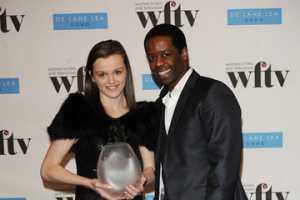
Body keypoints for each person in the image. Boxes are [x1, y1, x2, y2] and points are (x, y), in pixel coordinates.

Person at [41, 40, 157, 200]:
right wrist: (90, 183)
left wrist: (143, 181)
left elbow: (150, 169)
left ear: (127, 71)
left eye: (117, 72)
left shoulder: (143, 114)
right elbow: (48, 169)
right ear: (92, 76)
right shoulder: (79, 111)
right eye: (102, 74)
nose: (111, 81)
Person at [144, 24, 248, 200]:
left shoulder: (213, 93)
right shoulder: (162, 102)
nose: (158, 63)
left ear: (184, 54)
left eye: (165, 54)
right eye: (152, 57)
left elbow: (224, 167)